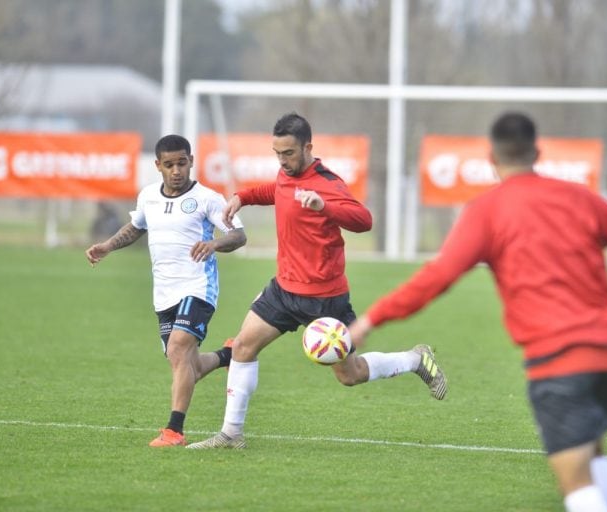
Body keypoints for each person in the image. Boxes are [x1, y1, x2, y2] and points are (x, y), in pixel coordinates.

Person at [348, 112, 607, 512]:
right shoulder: (576, 196)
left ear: (491, 157)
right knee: (592, 456)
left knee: (575, 482)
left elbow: (440, 274)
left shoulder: (488, 210)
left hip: (558, 358)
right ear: (537, 152)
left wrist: (372, 318)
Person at [186, 112, 448, 450]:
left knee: (348, 375)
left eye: (289, 153)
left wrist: (324, 206)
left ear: (308, 147)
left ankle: (415, 359)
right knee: (242, 347)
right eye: (277, 153)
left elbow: (363, 220)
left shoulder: (327, 184)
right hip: (283, 290)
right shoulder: (286, 174)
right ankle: (231, 434)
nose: (282, 161)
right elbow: (278, 190)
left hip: (325, 299)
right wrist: (245, 196)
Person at [85, 134, 247, 447]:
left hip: (198, 287)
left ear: (191, 162)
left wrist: (214, 243)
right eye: (169, 164)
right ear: (158, 165)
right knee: (185, 364)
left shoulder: (208, 198)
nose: (176, 170)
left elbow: (239, 235)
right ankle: (230, 354)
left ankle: (174, 431)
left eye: (182, 163)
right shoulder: (148, 196)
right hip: (164, 292)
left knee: (178, 348)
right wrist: (107, 246)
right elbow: (136, 227)